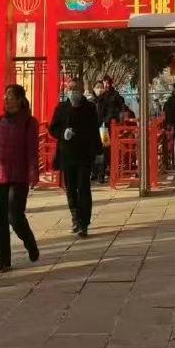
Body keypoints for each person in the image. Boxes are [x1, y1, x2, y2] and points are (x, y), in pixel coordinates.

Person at [0, 84, 40, 273]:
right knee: (0, 219)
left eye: (10, 96)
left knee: (14, 216)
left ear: (20, 99)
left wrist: (33, 172)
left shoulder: (29, 123)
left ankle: (29, 242)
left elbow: (32, 151)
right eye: (5, 96)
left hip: (19, 177)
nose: (6, 99)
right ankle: (2, 259)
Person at [50, 79, 102, 236]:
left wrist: (99, 152)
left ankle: (84, 223)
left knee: (84, 188)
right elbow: (53, 128)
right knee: (71, 188)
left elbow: (94, 130)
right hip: (67, 154)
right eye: (70, 88)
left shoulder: (90, 108)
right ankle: (75, 217)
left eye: (76, 88)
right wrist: (62, 133)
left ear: (82, 90)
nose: (72, 91)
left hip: (84, 155)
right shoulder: (61, 108)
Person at [95, 75, 125, 182]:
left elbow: (121, 107)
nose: (106, 85)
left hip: (112, 126)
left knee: (110, 150)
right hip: (103, 127)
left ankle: (106, 173)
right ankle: (102, 174)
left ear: (111, 83)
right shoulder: (101, 96)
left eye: (108, 83)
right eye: (105, 83)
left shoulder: (115, 96)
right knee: (105, 149)